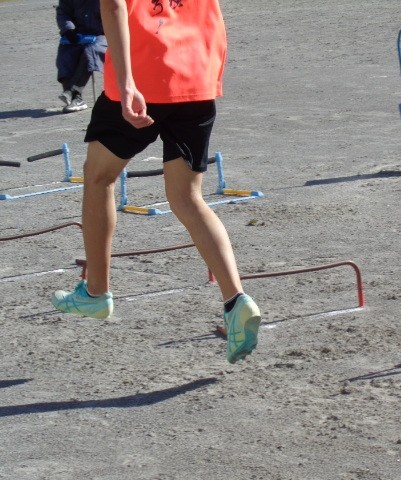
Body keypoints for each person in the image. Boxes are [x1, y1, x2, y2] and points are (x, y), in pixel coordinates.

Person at [51, 0, 262, 364]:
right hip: (196, 75)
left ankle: (96, 292)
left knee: (99, 177)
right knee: (187, 198)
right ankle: (236, 300)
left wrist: (126, 84)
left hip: (144, 76)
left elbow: (114, 7)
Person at [55, 0, 107, 113]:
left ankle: (72, 92)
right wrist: (68, 29)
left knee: (90, 52)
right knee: (65, 54)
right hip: (78, 34)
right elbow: (63, 12)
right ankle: (75, 99)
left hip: (103, 34)